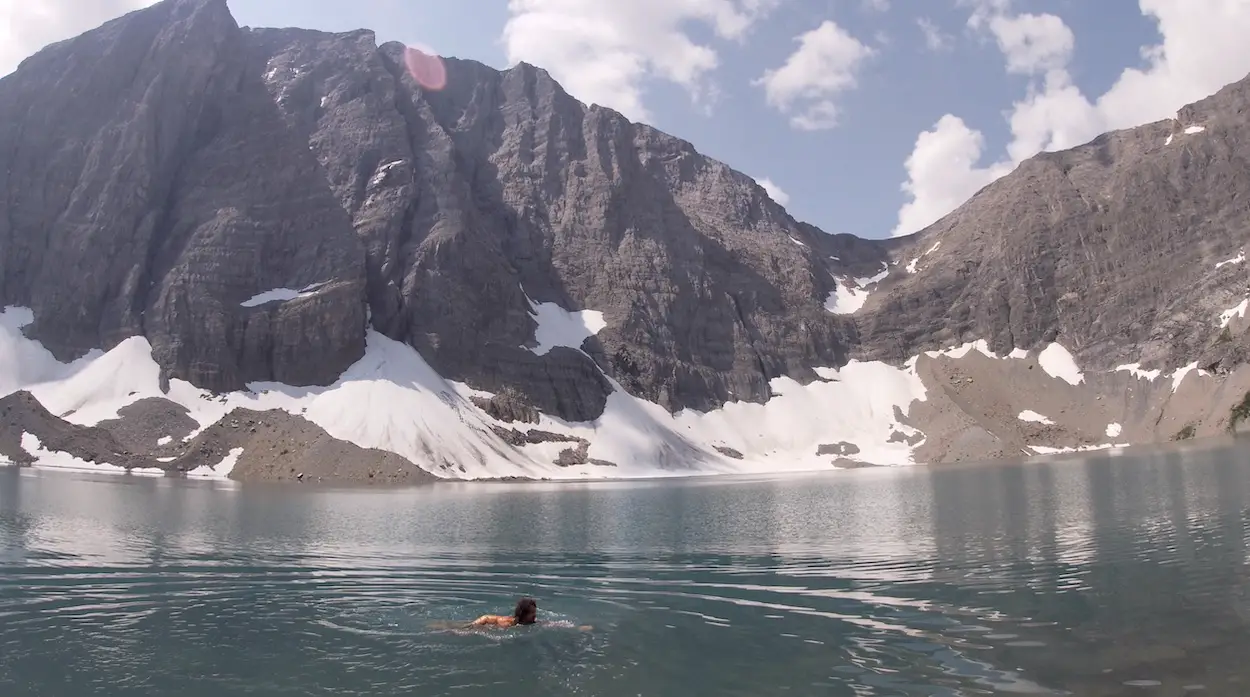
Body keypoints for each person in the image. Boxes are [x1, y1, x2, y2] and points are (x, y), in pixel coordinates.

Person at [469, 597, 539, 628]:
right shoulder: (507, 623)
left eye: (534, 612)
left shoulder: (529, 621)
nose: (534, 615)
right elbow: (486, 618)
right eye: (532, 613)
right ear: (523, 613)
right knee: (465, 627)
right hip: (484, 621)